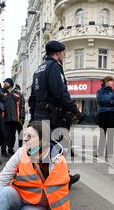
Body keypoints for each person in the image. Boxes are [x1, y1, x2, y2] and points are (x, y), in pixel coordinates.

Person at [28, 40, 83, 186]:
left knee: (44, 148)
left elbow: (32, 97)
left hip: (40, 114)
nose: (64, 55)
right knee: (58, 147)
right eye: (63, 53)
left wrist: (33, 115)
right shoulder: (54, 67)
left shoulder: (39, 68)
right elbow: (60, 93)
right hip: (52, 115)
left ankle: (43, 178)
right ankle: (61, 178)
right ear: (58, 53)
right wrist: (75, 110)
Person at [96, 76, 114, 157]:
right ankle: (100, 152)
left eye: (112, 81)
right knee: (102, 133)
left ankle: (109, 153)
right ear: (107, 82)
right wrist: (110, 101)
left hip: (111, 114)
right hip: (102, 114)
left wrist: (107, 101)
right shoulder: (99, 91)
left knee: (110, 134)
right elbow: (100, 101)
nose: (112, 83)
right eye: (111, 81)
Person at [1, 78, 22, 156]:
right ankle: (3, 150)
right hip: (5, 118)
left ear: (10, 83)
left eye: (6, 82)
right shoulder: (2, 92)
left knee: (12, 135)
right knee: (5, 135)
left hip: (14, 118)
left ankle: (10, 149)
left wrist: (21, 116)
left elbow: (21, 105)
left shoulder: (17, 93)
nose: (4, 84)